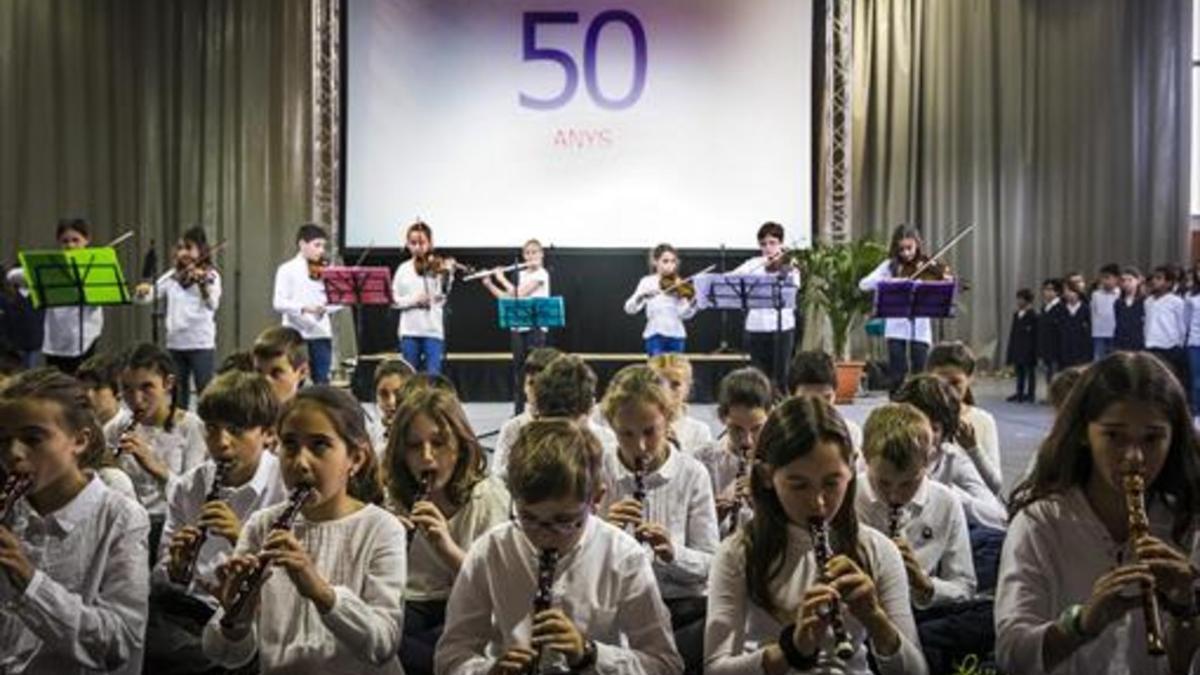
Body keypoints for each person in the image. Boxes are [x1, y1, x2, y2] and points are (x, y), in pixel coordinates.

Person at [996, 352, 1200, 674]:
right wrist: (1080, 625)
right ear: (1083, 434)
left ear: (1173, 438)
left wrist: (1184, 608)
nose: (1134, 457)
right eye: (1114, 435)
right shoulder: (1040, 524)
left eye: (1152, 438)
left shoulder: (1188, 524)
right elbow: (1011, 654)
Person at [434, 418, 684, 674]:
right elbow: (450, 656)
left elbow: (666, 664)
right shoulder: (490, 550)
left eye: (564, 521)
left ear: (596, 499)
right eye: (529, 518)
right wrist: (490, 671)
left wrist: (590, 655)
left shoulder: (623, 556)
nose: (544, 537)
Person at [703, 396, 928, 674]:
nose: (819, 502)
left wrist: (874, 618)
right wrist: (791, 650)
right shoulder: (737, 552)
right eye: (799, 485)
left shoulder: (878, 549)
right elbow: (715, 669)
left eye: (832, 483)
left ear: (853, 467)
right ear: (765, 476)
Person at [202, 387, 406, 674]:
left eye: (319, 445)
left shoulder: (382, 528)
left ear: (356, 459)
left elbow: (383, 644)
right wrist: (237, 618)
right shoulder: (262, 526)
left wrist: (321, 592)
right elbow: (226, 655)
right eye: (290, 445)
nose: (300, 462)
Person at [0, 368, 151, 675]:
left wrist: (30, 582)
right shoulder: (11, 514)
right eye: (3, 440)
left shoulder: (121, 519)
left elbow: (121, 644)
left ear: (79, 441)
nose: (13, 454)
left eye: (33, 438)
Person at [146, 371, 287, 674]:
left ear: (267, 433)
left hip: (258, 615)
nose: (221, 443)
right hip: (192, 612)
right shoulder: (189, 486)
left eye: (236, 430)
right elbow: (162, 578)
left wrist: (242, 539)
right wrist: (177, 569)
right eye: (212, 429)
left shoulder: (286, 486)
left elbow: (294, 583)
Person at [600, 365, 719, 674]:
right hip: (615, 606)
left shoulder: (693, 474)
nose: (640, 446)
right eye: (627, 434)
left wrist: (672, 553)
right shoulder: (597, 471)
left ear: (667, 419)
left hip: (678, 604)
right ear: (611, 427)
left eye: (650, 431)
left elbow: (712, 563)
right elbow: (572, 562)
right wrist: (603, 533)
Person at [386, 386, 511, 675]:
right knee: (379, 643)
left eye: (439, 443)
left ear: (461, 445)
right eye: (415, 446)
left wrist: (446, 546)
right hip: (410, 600)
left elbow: (498, 586)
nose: (427, 457)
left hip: (468, 601)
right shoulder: (394, 495)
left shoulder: (487, 495)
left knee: (443, 652)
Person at [856, 403, 985, 674]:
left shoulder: (945, 502)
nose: (894, 496)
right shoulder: (848, 497)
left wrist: (926, 586)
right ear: (865, 458)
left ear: (929, 460)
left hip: (923, 615)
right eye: (883, 483)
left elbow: (965, 585)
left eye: (908, 484)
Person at [108, 343, 208, 559]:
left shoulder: (192, 427)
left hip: (170, 523)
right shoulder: (116, 427)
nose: (136, 399)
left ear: (168, 384)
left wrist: (156, 467)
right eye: (127, 388)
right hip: (126, 523)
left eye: (147, 387)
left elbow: (194, 498)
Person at [891, 375, 1007, 532]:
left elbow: (998, 517)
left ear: (946, 431)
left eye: (933, 428)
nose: (923, 437)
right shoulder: (881, 454)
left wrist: (946, 495)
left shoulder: (951, 459)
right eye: (914, 426)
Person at [134, 226, 222, 410]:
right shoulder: (172, 277)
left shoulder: (210, 275)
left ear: (201, 250)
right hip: (175, 344)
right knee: (177, 397)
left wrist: (202, 286)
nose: (183, 252)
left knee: (204, 394)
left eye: (189, 248)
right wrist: (142, 292)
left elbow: (212, 304)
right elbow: (149, 297)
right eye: (180, 247)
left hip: (200, 344)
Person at [5, 219, 105, 374]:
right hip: (56, 339)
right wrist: (44, 275)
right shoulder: (51, 266)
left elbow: (103, 296)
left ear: (87, 240)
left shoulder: (95, 266)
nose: (70, 245)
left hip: (87, 337)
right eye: (65, 241)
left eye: (75, 240)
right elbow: (12, 276)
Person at [693, 367, 774, 539]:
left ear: (771, 415)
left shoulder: (782, 462)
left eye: (756, 429)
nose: (747, 441)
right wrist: (711, 518)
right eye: (736, 429)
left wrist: (762, 506)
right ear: (722, 417)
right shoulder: (702, 460)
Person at [859, 224, 939, 391]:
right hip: (895, 327)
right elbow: (863, 284)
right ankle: (896, 405)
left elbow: (945, 281)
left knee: (921, 372)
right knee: (897, 373)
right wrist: (890, 282)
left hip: (920, 327)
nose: (906, 253)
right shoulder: (890, 266)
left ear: (917, 244)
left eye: (910, 248)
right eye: (901, 249)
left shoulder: (927, 264)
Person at [482, 239, 551, 412]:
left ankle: (539, 409)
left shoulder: (542, 274)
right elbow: (508, 299)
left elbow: (519, 293)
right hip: (518, 327)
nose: (530, 256)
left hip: (536, 328)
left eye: (534, 252)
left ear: (541, 254)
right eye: (527, 253)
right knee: (519, 372)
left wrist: (501, 278)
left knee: (536, 371)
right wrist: (490, 284)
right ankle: (518, 412)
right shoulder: (521, 274)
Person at [927, 342, 1003, 496]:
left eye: (955, 383)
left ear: (970, 380)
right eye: (939, 382)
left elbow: (995, 486)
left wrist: (973, 449)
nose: (947, 390)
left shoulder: (983, 421)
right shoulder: (918, 418)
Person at [732, 222, 801, 389]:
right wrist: (756, 269)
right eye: (763, 244)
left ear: (781, 244)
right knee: (758, 377)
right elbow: (730, 278)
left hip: (782, 327)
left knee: (780, 376)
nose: (768, 248)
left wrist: (784, 270)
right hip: (756, 326)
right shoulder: (753, 264)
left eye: (772, 243)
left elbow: (794, 287)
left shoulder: (790, 266)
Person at [272, 223, 340, 384]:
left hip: (320, 331)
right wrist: (303, 308)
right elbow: (278, 302)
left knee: (321, 380)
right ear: (302, 244)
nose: (321, 250)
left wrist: (326, 308)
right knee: (294, 380)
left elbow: (339, 299)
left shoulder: (327, 269)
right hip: (294, 332)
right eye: (317, 245)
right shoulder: (286, 269)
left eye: (323, 246)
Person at [392, 220, 454, 375]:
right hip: (409, 331)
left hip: (432, 330)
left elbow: (443, 296)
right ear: (407, 244)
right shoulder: (403, 269)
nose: (418, 247)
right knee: (410, 376)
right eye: (413, 243)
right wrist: (413, 301)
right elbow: (394, 300)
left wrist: (447, 274)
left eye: (422, 242)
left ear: (430, 243)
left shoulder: (437, 267)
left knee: (433, 376)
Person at [492, 346, 562, 478]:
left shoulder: (576, 431)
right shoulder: (512, 428)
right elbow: (497, 478)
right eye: (530, 383)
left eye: (544, 385)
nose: (535, 391)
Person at [624, 244, 699, 357]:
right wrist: (641, 297)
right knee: (657, 372)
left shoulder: (679, 284)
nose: (670, 265)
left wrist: (693, 304)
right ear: (655, 262)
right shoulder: (647, 282)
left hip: (677, 335)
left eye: (673, 261)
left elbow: (684, 315)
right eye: (665, 261)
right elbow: (629, 309)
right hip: (655, 335)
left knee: (675, 373)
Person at [787, 349, 864, 450]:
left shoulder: (851, 434)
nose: (818, 407)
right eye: (808, 400)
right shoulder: (779, 437)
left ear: (835, 394)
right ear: (790, 397)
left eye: (826, 399)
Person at [647, 353, 713, 454]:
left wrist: (677, 449)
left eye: (675, 384)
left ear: (687, 388)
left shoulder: (699, 432)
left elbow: (702, 468)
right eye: (658, 383)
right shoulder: (630, 427)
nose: (666, 391)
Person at [1144, 265, 1190, 395]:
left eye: (1159, 278)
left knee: (1170, 380)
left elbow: (1182, 325)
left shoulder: (1176, 302)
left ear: (1169, 283)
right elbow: (1147, 323)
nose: (1154, 281)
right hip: (1152, 345)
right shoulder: (1148, 301)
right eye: (1154, 278)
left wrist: (1179, 344)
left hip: (1169, 347)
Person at [0, 261, 43, 369]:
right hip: (14, 345)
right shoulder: (7, 297)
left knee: (32, 374)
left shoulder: (40, 296)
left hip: (36, 342)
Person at [366, 358, 416, 453]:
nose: (391, 402)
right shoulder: (370, 436)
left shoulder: (423, 435)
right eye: (383, 394)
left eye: (399, 393)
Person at [251, 326, 309, 404]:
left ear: (302, 372)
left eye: (275, 373)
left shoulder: (315, 415)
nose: (265, 381)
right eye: (259, 373)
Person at [1007, 288, 1039, 403]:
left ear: (1028, 301)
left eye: (1021, 299)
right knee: (1019, 372)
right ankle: (1019, 392)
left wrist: (1035, 350)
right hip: (1018, 348)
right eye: (1018, 299)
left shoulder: (1033, 315)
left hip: (1029, 349)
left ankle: (1030, 394)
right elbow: (1013, 333)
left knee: (1030, 372)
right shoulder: (1017, 315)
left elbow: (1035, 335)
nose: (1019, 302)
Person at [1038, 278, 1066, 394]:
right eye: (1045, 289)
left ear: (1057, 292)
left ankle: (1056, 395)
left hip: (1056, 346)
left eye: (1050, 290)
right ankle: (1050, 394)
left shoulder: (1060, 307)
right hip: (1046, 345)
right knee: (1048, 371)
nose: (1047, 292)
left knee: (1056, 372)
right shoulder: (1044, 308)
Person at [1091, 264, 1121, 362]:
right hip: (1099, 334)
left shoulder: (1120, 294)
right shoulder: (1096, 295)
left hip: (1114, 334)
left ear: (1116, 279)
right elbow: (1093, 313)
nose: (1104, 281)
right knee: (1099, 362)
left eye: (1108, 278)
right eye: (1102, 278)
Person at [1113, 266, 1146, 352]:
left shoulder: (1144, 301)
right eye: (1124, 280)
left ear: (1138, 281)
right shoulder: (1118, 303)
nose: (1126, 283)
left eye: (1130, 280)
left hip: (1138, 341)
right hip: (1121, 342)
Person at [1059, 283, 1093, 368]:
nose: (1069, 294)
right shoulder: (1061, 309)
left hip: (1082, 348)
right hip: (1066, 348)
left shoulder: (1086, 309)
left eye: (1071, 292)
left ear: (1078, 293)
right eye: (1066, 292)